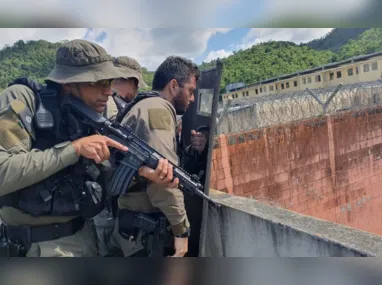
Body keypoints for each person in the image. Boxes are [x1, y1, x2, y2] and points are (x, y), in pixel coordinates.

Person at [0, 39, 177, 257]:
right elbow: (3, 171)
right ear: (68, 83)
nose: (109, 91)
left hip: (86, 238)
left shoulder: (89, 116)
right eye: (98, 82)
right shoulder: (21, 99)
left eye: (109, 82)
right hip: (38, 245)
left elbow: (99, 177)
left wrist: (139, 174)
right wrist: (73, 149)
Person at [109, 55, 200, 257]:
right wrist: (181, 230)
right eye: (191, 91)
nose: (192, 98)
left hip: (130, 226)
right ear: (174, 86)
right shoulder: (158, 109)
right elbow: (164, 178)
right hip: (141, 233)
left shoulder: (144, 105)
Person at [103, 56, 149, 122]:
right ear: (133, 82)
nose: (136, 90)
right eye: (136, 85)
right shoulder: (108, 102)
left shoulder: (105, 100)